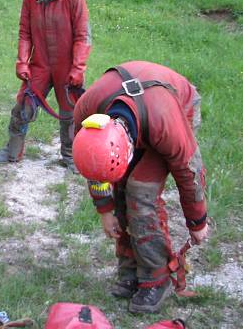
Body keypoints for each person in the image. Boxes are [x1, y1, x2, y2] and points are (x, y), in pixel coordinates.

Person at [71, 61, 209, 313]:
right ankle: (131, 269)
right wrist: (105, 208)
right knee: (121, 187)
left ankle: (156, 279)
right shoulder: (87, 117)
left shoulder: (165, 125)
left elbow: (189, 170)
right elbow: (94, 170)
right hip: (138, 107)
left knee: (140, 191)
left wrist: (197, 221)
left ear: (131, 148)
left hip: (177, 106)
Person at [0, 0, 91, 172]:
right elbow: (24, 32)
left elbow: (83, 37)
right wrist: (22, 61)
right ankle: (12, 151)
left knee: (70, 113)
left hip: (67, 67)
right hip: (40, 65)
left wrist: (78, 68)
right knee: (23, 108)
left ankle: (71, 157)